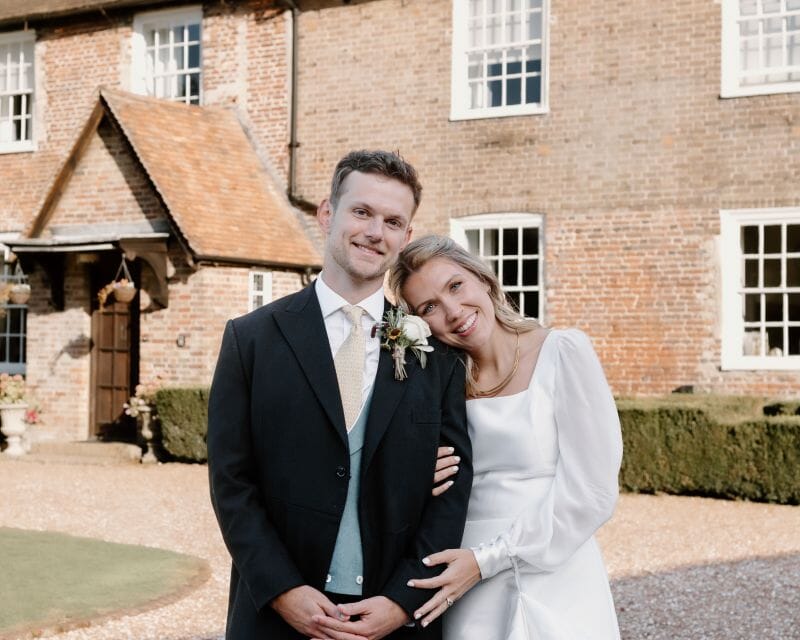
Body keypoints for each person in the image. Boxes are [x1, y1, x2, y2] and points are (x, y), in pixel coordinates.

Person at [207, 152, 472, 640]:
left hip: (395, 622)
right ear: (327, 213)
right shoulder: (251, 339)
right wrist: (282, 589)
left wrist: (401, 601)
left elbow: (450, 499)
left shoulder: (437, 358)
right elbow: (231, 482)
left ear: (405, 237)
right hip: (276, 618)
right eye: (362, 212)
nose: (376, 231)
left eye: (393, 221)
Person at [387, 234, 623, 640]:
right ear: (420, 326)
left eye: (456, 286)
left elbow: (593, 493)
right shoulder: (438, 385)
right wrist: (415, 474)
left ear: (484, 281)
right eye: (430, 307)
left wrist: (488, 560)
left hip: (553, 569)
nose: (453, 311)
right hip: (463, 579)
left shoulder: (562, 351)